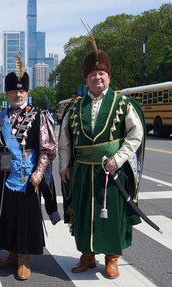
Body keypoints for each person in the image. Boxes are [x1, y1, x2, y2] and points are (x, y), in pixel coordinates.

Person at [58, 43, 146, 279]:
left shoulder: (123, 104)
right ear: (86, 78)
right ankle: (87, 256)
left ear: (108, 76)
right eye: (92, 74)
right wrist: (64, 165)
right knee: (84, 212)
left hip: (113, 171)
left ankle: (111, 259)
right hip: (83, 171)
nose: (97, 77)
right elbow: (65, 141)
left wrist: (118, 159)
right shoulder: (75, 108)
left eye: (102, 73)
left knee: (111, 214)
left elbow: (135, 135)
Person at [0, 56, 57, 281]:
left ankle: (24, 259)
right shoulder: (0, 117)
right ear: (7, 93)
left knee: (25, 218)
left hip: (27, 176)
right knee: (5, 215)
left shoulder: (39, 115)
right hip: (3, 175)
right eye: (13, 92)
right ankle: (11, 253)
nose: (18, 95)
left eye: (22, 91)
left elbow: (48, 148)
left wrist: (38, 172)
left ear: (27, 92)